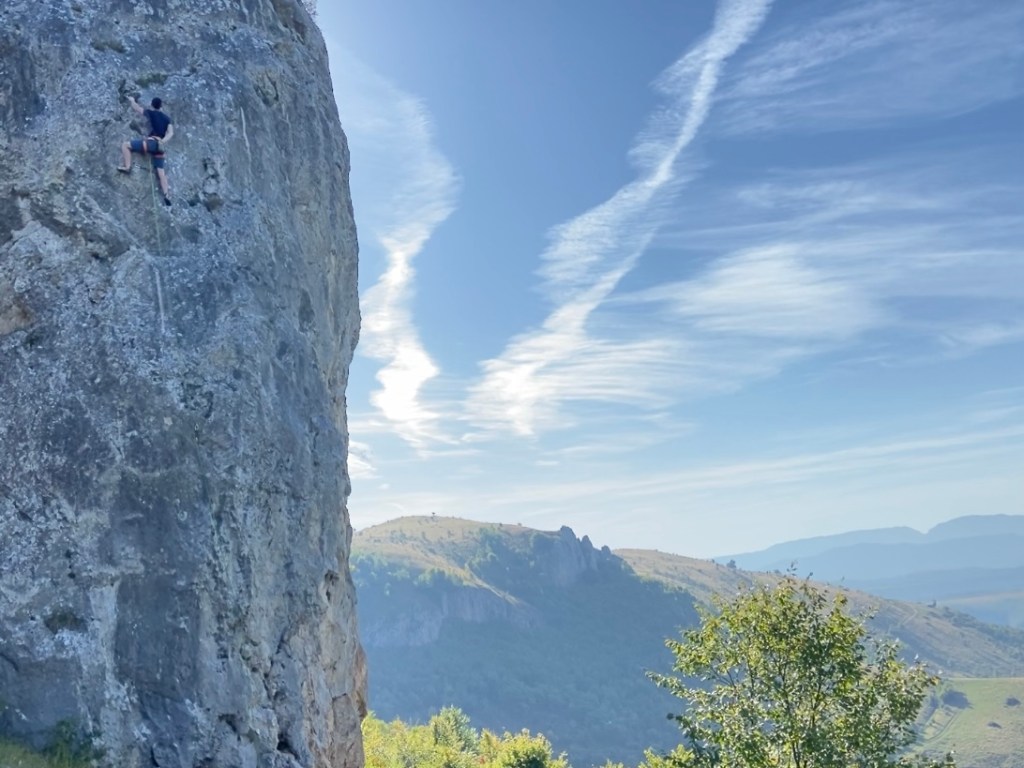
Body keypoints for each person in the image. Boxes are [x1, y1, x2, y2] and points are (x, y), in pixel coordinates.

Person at [117, 96, 174, 205]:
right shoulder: (167, 119)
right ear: (161, 106)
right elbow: (171, 133)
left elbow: (136, 108)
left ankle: (127, 167)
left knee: (125, 145)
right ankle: (166, 194)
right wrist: (162, 141)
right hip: (160, 148)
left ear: (152, 105)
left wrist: (132, 100)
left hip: (151, 143)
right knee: (160, 172)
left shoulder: (150, 113)